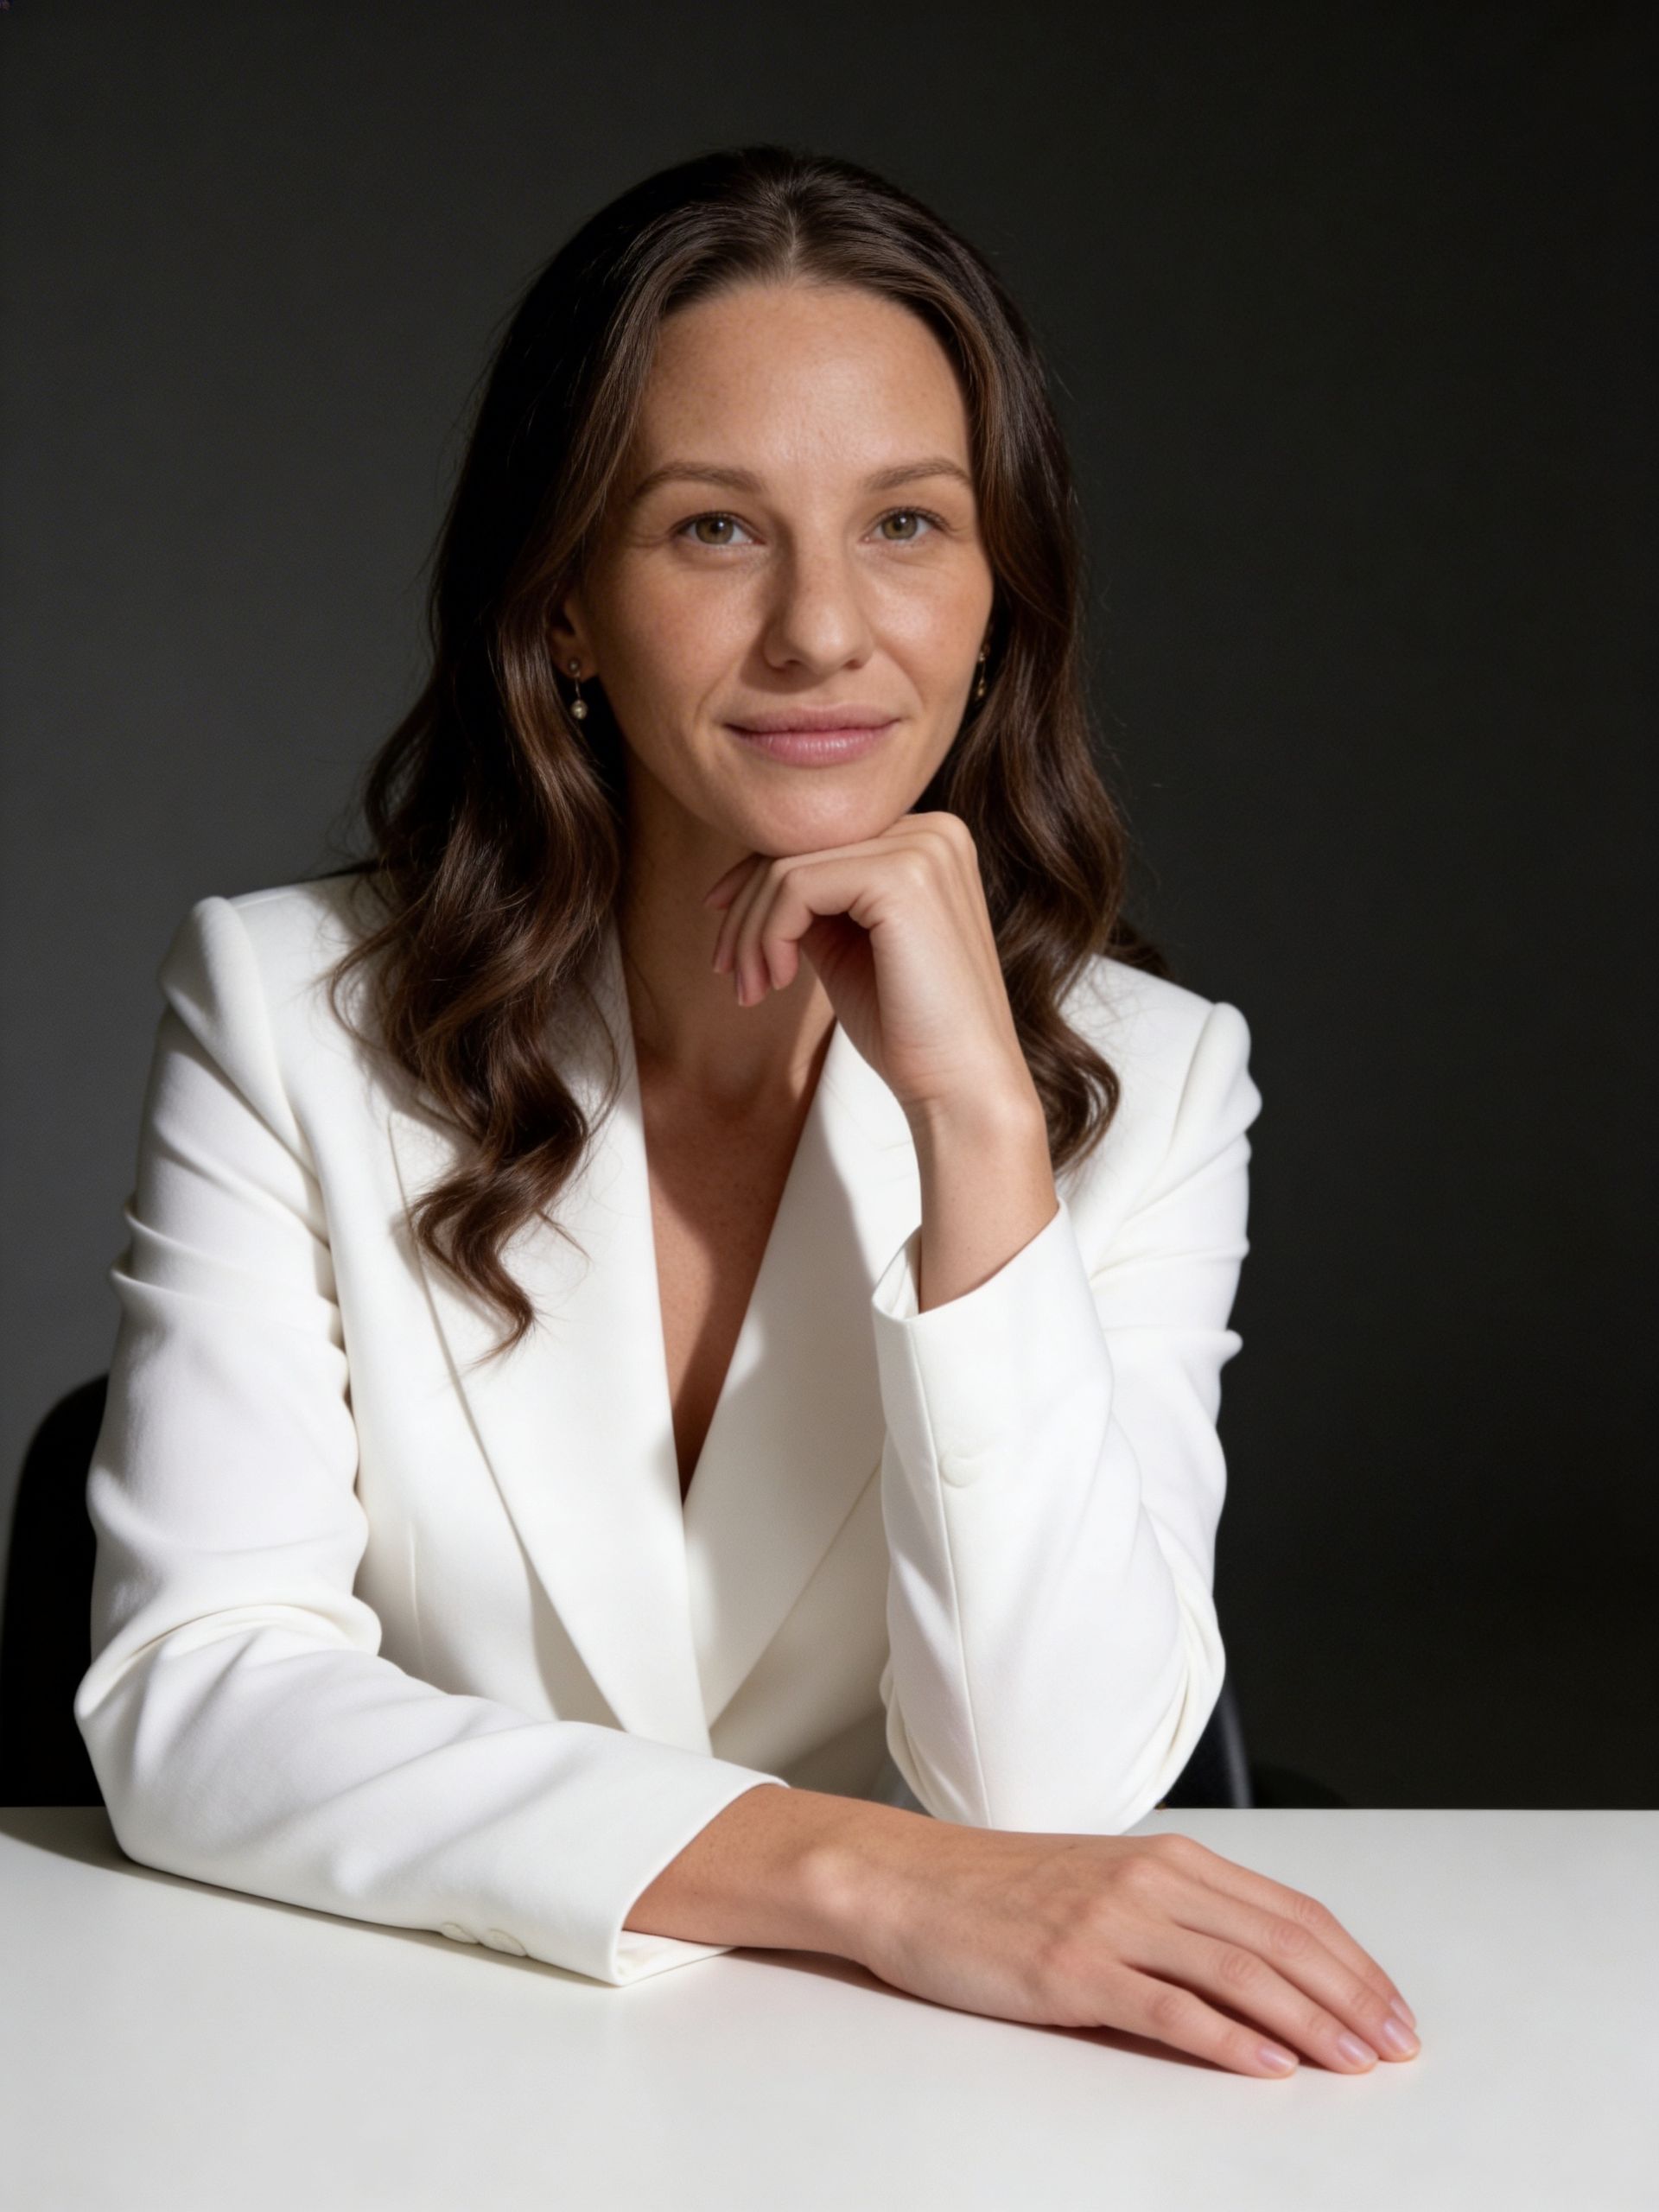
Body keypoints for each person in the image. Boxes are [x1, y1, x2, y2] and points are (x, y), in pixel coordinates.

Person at [75, 143, 1419, 2082]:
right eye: (714, 529)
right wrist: (872, 1878)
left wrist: (980, 1136)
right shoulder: (291, 1009)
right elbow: (196, 1693)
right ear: (559, 610)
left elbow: (1050, 1797)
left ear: (995, 594)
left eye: (906, 524)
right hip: (407, 2049)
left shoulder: (1154, 1068)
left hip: (912, 2097)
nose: (821, 633)